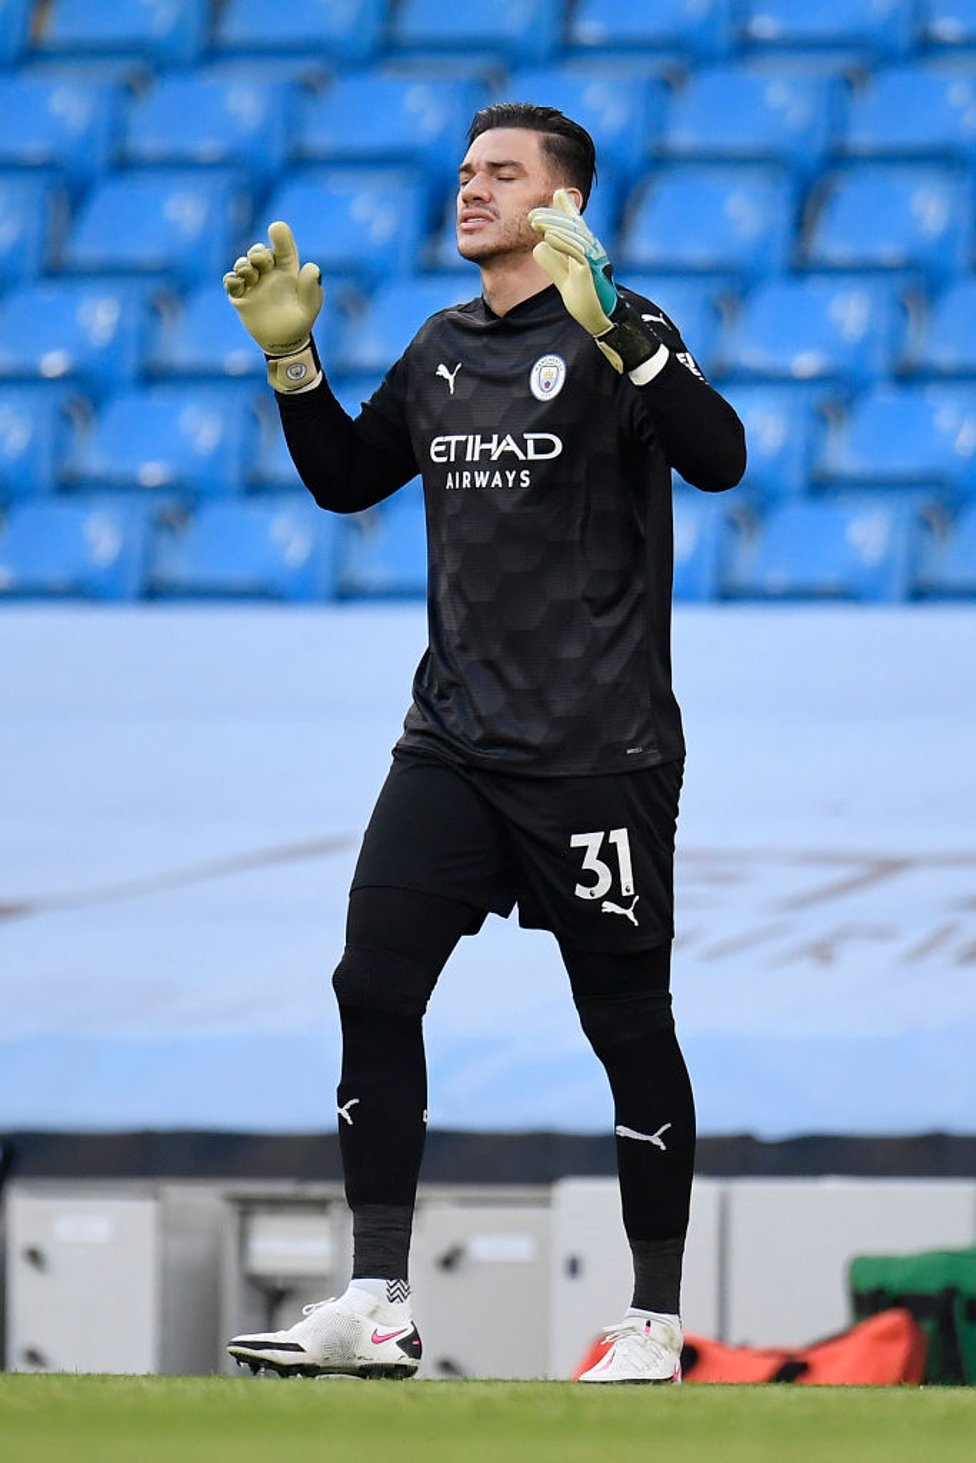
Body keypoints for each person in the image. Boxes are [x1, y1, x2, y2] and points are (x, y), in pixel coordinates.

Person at [222, 103, 746, 1384]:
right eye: (465, 172)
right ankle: (378, 1299)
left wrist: (619, 325)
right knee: (370, 983)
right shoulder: (441, 344)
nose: (471, 190)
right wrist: (296, 368)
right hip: (450, 742)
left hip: (598, 756)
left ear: (561, 203)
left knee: (625, 1021)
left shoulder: (623, 334)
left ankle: (654, 1323)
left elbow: (720, 457)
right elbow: (348, 478)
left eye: (500, 174)